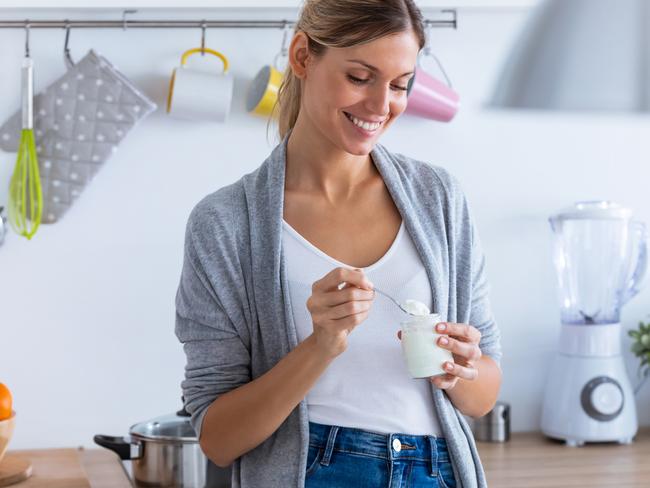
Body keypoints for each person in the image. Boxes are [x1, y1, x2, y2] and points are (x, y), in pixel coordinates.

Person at [175, 0, 502, 486]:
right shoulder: (224, 224)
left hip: (436, 471)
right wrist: (320, 345)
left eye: (399, 85)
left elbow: (484, 395)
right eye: (360, 77)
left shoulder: (439, 199)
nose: (380, 106)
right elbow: (218, 439)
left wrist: (462, 370)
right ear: (303, 57)